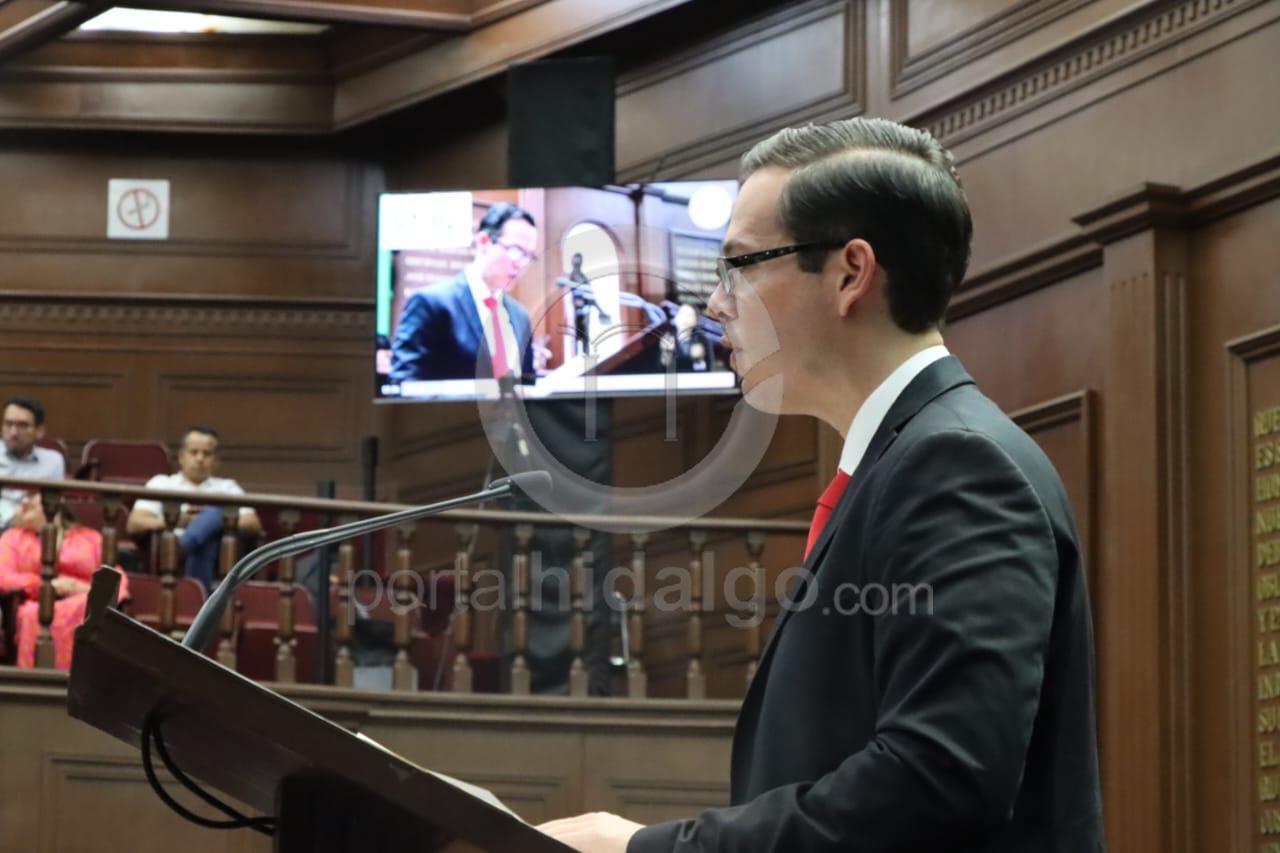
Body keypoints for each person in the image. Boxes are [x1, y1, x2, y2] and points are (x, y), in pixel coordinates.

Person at [538, 117, 1105, 851]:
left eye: (739, 266)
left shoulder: (958, 465)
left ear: (850, 273)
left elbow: (937, 783)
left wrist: (650, 849)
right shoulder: (907, 462)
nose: (715, 305)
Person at [390, 202, 539, 383]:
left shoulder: (520, 316)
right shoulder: (431, 304)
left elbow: (527, 383)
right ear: (483, 242)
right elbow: (404, 383)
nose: (521, 264)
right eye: (516, 250)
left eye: (529, 256)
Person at [0, 493, 128, 670]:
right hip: (36, 603)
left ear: (56, 502)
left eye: (32, 495)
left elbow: (117, 580)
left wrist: (80, 588)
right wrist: (46, 586)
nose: (25, 501)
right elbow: (4, 577)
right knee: (32, 614)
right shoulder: (12, 538)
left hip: (85, 599)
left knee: (91, 608)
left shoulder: (90, 538)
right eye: (23, 497)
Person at [126, 426, 261, 591]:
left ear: (216, 460)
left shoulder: (227, 487)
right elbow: (135, 523)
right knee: (208, 536)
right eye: (194, 452)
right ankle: (203, 596)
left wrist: (213, 522)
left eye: (207, 454)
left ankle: (184, 547)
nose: (200, 459)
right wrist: (175, 521)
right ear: (181, 457)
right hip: (170, 547)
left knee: (214, 515)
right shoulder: (161, 483)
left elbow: (252, 523)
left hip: (199, 554)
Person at [0, 396, 66, 528]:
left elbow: (52, 505)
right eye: (8, 424)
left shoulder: (53, 461)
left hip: (33, 531)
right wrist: (11, 517)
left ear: (39, 431)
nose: (13, 432)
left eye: (22, 426)